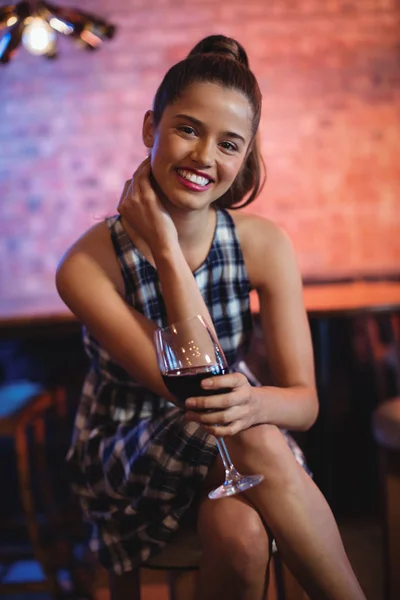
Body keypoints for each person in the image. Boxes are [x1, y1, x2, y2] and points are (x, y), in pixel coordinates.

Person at [56, 34, 366, 600]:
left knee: (243, 533)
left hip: (238, 432)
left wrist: (256, 402)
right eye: (188, 129)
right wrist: (169, 253)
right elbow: (191, 386)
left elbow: (305, 403)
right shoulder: (84, 265)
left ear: (245, 157)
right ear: (152, 129)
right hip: (129, 457)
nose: (204, 158)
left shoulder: (265, 244)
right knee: (247, 432)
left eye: (229, 144)